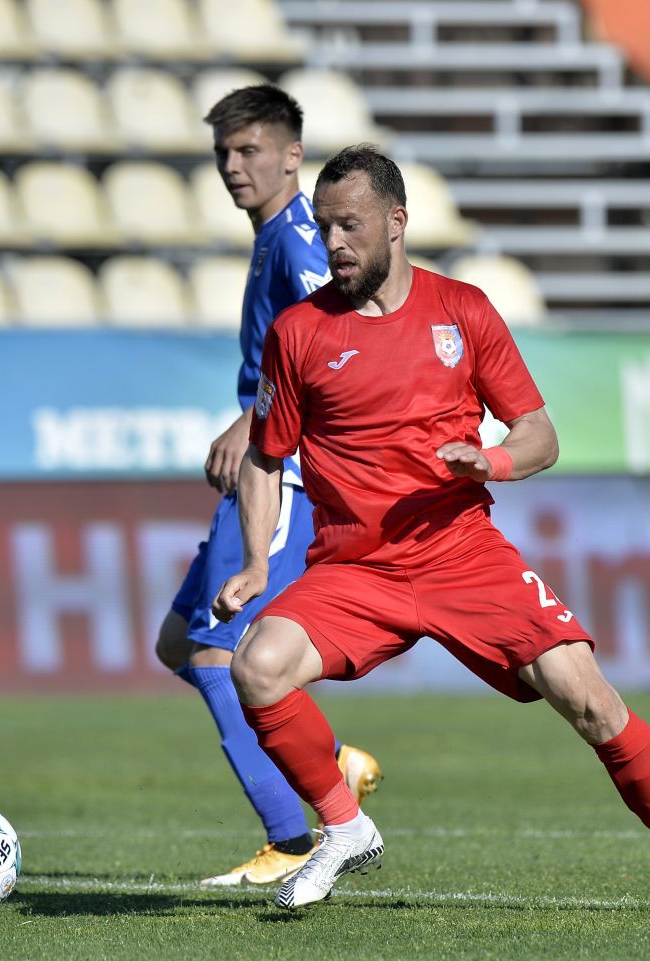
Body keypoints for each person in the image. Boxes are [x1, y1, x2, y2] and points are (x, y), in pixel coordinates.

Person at [213, 144, 650, 914]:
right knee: (257, 666)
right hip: (355, 569)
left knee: (592, 700)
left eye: (350, 225)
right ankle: (344, 826)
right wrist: (256, 562)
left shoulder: (462, 310)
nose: (333, 243)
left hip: (461, 553)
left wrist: (492, 463)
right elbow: (266, 458)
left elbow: (539, 432)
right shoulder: (299, 332)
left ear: (397, 223)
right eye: (325, 226)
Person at [155, 88, 382, 888]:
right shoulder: (269, 241)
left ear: (293, 155)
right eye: (223, 153)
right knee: (180, 645)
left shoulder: (298, 243)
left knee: (220, 657)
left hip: (285, 475)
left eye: (249, 150)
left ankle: (292, 836)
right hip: (260, 468)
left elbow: (340, 333)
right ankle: (330, 764)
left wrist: (255, 423)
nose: (232, 166)